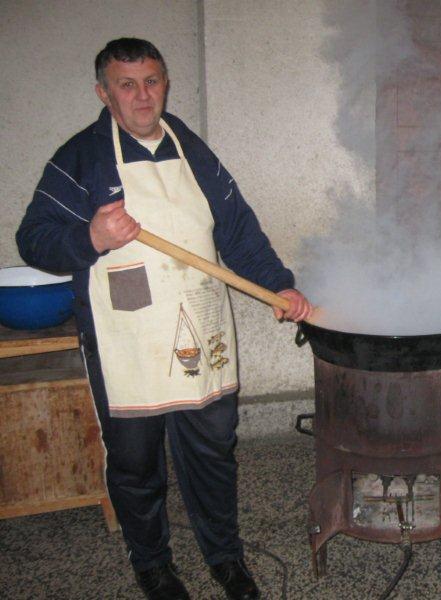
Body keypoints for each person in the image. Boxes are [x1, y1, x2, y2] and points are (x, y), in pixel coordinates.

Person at [16, 38, 312, 600]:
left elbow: (237, 228)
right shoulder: (80, 159)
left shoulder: (190, 148)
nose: (142, 95)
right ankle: (152, 566)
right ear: (104, 93)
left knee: (212, 453)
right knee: (135, 463)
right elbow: (33, 239)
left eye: (151, 81)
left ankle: (225, 558)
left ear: (165, 83)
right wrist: (90, 236)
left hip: (201, 323)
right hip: (127, 338)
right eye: (126, 85)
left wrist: (278, 284)